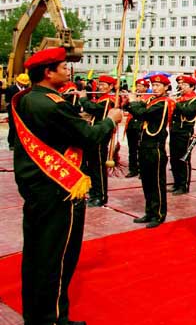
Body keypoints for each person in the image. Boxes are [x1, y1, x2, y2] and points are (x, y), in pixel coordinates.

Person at [12, 47, 123, 325]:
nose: (67, 71)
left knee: (37, 254)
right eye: (63, 67)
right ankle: (53, 319)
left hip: (36, 187)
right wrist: (111, 120)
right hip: (58, 189)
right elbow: (89, 136)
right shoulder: (53, 104)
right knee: (57, 258)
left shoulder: (27, 98)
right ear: (48, 72)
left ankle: (37, 315)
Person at [126, 74, 175, 228]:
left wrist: (134, 101)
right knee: (147, 182)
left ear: (166, 87)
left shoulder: (163, 103)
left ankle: (159, 214)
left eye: (158, 85)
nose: (155, 88)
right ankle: (149, 212)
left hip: (155, 147)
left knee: (157, 183)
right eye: (153, 85)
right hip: (145, 146)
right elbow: (135, 109)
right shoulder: (151, 100)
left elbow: (142, 113)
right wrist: (130, 101)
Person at [78, 74, 119, 207]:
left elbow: (94, 109)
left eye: (103, 85)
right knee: (92, 167)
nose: (100, 87)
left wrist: (83, 99)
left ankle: (100, 196)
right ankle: (94, 193)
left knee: (98, 169)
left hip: (101, 137)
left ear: (111, 86)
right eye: (99, 84)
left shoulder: (108, 99)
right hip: (95, 135)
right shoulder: (101, 98)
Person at [170, 75, 196, 195]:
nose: (181, 86)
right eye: (181, 84)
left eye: (185, 85)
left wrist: (175, 103)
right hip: (174, 131)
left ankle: (184, 185)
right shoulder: (179, 98)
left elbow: (188, 112)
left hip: (184, 133)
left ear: (192, 87)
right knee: (174, 159)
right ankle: (176, 183)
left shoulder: (194, 100)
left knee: (183, 159)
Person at [125, 78, 152, 178]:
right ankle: (133, 169)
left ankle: (142, 170)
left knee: (141, 149)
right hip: (131, 125)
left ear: (146, 88)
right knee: (132, 149)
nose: (138, 88)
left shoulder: (149, 97)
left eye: (140, 86)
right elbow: (127, 108)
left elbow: (142, 110)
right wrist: (127, 101)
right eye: (137, 86)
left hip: (140, 125)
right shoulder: (135, 96)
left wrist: (135, 102)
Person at [6, 73, 30, 148]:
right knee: (13, 127)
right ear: (18, 81)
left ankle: (21, 143)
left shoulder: (27, 89)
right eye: (22, 83)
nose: (24, 84)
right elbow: (8, 102)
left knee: (22, 128)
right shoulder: (11, 89)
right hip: (13, 111)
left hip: (23, 111)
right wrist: (11, 112)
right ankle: (11, 143)